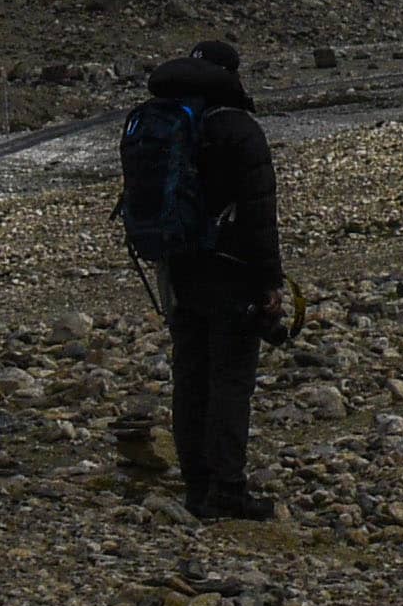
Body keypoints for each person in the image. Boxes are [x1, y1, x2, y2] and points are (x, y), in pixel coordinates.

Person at [110, 37, 288, 522]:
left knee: (190, 376)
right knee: (231, 379)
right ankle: (228, 489)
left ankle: (196, 487)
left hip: (178, 267)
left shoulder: (165, 122)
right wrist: (271, 282)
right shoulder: (237, 128)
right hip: (229, 272)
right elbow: (259, 213)